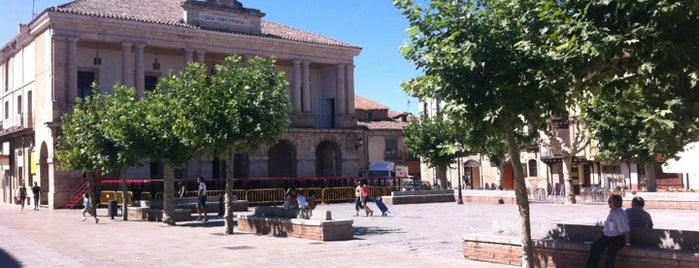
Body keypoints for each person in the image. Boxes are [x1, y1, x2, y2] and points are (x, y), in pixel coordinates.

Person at [586, 194, 630, 268]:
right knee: (595, 247)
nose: (608, 203)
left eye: (610, 201)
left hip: (617, 238)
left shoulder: (619, 214)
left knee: (611, 252)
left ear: (616, 203)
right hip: (607, 237)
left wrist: (627, 245)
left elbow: (627, 231)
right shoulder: (613, 212)